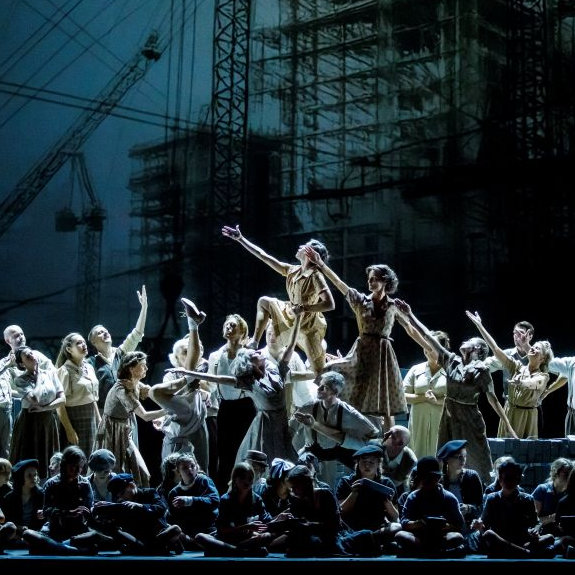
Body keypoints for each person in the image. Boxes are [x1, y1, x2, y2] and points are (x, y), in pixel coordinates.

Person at [395, 300, 517, 484]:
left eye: (468, 342)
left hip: (469, 418)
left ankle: (484, 489)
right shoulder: (451, 360)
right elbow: (427, 336)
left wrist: (508, 426)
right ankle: (439, 488)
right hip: (449, 416)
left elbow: (493, 400)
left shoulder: (482, 371)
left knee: (477, 459)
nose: (463, 342)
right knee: (443, 457)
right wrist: (410, 314)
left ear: (477, 349)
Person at [304, 249, 410, 433]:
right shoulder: (361, 301)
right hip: (362, 351)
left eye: (374, 279)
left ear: (385, 281)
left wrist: (427, 342)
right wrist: (321, 264)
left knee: (385, 403)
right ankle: (337, 428)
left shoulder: (393, 306)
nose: (370, 282)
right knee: (332, 371)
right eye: (369, 279)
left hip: (383, 354)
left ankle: (389, 441)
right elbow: (339, 283)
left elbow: (410, 327)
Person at [182, 316, 302, 471]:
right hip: (257, 420)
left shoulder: (276, 370)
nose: (258, 352)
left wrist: (298, 318)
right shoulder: (249, 381)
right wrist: (192, 374)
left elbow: (290, 347)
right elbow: (220, 379)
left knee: (280, 458)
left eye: (232, 326)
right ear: (252, 364)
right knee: (247, 457)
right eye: (254, 355)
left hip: (271, 418)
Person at [222, 224, 335, 376]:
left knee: (319, 372)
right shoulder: (293, 270)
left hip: (308, 325)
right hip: (290, 313)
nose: (300, 247)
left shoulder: (316, 276)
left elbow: (330, 304)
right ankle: (255, 341)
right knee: (264, 301)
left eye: (304, 246)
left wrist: (304, 308)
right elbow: (264, 256)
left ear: (310, 254)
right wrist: (241, 239)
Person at [466, 311, 552, 439]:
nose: (533, 349)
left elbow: (535, 383)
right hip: (510, 410)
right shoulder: (516, 366)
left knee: (526, 448)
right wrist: (480, 325)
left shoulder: (543, 375)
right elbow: (495, 349)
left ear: (543, 358)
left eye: (537, 349)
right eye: (514, 333)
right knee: (506, 447)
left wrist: (521, 382)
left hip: (528, 415)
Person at [291, 370, 379, 489]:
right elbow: (291, 427)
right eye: (320, 385)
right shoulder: (309, 407)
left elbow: (372, 433)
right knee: (298, 469)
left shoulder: (348, 412)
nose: (319, 389)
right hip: (314, 449)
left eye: (325, 387)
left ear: (335, 392)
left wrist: (352, 440)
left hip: (339, 450)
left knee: (365, 471)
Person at [151, 298, 210, 472]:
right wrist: (163, 417)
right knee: (174, 471)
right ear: (176, 358)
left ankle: (194, 324)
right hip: (181, 426)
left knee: (201, 468)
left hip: (197, 424)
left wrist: (204, 392)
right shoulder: (170, 375)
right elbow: (171, 403)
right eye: (185, 352)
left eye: (191, 350)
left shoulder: (202, 369)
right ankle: (193, 324)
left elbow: (210, 398)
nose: (189, 353)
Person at [95, 351, 167, 487]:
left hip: (126, 426)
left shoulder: (135, 383)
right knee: (118, 468)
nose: (146, 368)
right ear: (131, 368)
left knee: (134, 469)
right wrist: (169, 410)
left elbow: (155, 393)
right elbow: (145, 416)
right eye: (143, 365)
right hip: (114, 430)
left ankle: (136, 492)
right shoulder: (122, 390)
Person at [205, 312, 255, 493]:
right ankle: (224, 492)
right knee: (225, 453)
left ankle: (246, 490)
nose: (228, 327)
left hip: (245, 406)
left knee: (245, 449)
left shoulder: (248, 354)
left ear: (242, 331)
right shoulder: (215, 356)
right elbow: (211, 384)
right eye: (227, 324)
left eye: (233, 325)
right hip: (225, 407)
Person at [473, 458, 556, 558]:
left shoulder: (527, 499)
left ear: (518, 480)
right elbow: (484, 523)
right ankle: (525, 553)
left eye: (513, 478)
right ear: (500, 479)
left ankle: (517, 551)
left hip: (521, 540)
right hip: (501, 540)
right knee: (488, 534)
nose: (509, 482)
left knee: (550, 537)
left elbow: (535, 522)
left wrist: (535, 530)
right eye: (506, 478)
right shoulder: (492, 498)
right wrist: (479, 524)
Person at [87, 285, 148, 413]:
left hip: (127, 411)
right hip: (106, 412)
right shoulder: (90, 363)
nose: (105, 333)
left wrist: (144, 308)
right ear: (93, 342)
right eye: (100, 333)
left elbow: (137, 334)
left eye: (106, 331)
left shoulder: (121, 353)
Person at [194, 461, 272, 557]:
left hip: (245, 539)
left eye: (250, 478)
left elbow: (267, 521)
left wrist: (279, 518)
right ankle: (240, 552)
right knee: (199, 537)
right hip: (226, 539)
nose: (247, 481)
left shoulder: (257, 499)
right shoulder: (226, 499)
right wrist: (246, 527)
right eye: (242, 478)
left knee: (267, 536)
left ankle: (224, 551)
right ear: (235, 479)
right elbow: (222, 530)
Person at [10, 346, 65, 480]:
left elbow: (62, 399)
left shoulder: (50, 374)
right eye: (27, 356)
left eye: (31, 353)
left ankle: (48, 484)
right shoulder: (21, 379)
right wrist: (39, 376)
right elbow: (35, 398)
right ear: (22, 364)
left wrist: (44, 408)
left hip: (47, 419)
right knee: (29, 454)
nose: (32, 356)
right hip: (29, 422)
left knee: (48, 455)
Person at [394, 456, 466, 557]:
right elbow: (404, 522)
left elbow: (459, 524)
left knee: (457, 537)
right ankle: (439, 552)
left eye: (431, 478)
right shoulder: (413, 497)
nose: (427, 481)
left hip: (442, 537)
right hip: (419, 537)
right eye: (424, 478)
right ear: (419, 478)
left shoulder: (449, 497)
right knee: (400, 535)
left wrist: (444, 525)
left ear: (438, 478)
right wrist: (419, 523)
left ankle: (422, 551)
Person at [336, 444, 400, 553]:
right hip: (351, 528)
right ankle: (368, 541)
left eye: (371, 462)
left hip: (377, 528)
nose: (367, 465)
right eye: (364, 462)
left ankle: (366, 540)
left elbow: (395, 516)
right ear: (358, 463)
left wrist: (387, 502)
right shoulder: (346, 482)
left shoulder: (386, 483)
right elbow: (340, 512)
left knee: (397, 527)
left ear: (378, 464)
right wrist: (354, 493)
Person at [402, 330, 449, 458]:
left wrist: (438, 401)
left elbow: (456, 399)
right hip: (418, 423)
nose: (427, 349)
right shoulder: (416, 369)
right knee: (416, 456)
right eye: (425, 345)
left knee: (440, 456)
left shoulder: (450, 370)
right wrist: (423, 397)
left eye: (431, 346)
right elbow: (402, 396)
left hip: (441, 422)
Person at [54, 332, 101, 459]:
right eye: (79, 343)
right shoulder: (65, 371)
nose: (83, 345)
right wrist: (69, 430)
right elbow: (60, 405)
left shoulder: (89, 367)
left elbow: (92, 397)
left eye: (84, 342)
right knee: (78, 458)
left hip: (91, 417)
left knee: (92, 455)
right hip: (75, 418)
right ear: (69, 349)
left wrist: (99, 420)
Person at [436, 439, 483, 548]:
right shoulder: (440, 480)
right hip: (446, 527)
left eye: (464, 456)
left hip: (468, 527)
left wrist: (468, 508)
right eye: (459, 457)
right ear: (447, 459)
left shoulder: (472, 477)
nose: (463, 460)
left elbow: (481, 508)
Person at [167, 453, 220, 543]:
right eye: (185, 468)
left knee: (203, 538)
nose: (190, 470)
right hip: (188, 534)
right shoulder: (174, 493)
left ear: (197, 467)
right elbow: (173, 517)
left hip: (208, 530)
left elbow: (214, 501)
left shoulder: (204, 481)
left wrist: (189, 500)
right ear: (178, 472)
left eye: (192, 466)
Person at [370, 425, 417, 496]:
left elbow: (397, 483)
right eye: (393, 437)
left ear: (403, 444)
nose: (385, 435)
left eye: (400, 443)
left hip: (396, 490)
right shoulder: (374, 447)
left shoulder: (410, 460)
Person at [531, 457, 574, 536]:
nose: (568, 477)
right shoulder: (542, 490)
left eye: (570, 474)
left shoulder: (570, 493)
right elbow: (533, 519)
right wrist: (554, 517)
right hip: (543, 534)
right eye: (566, 473)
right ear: (555, 472)